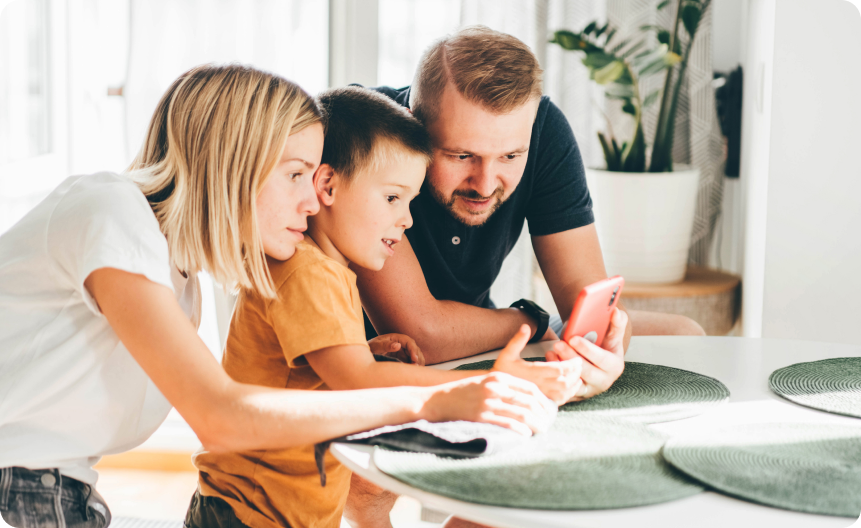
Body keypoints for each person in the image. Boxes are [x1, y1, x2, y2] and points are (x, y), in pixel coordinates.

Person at [0, 64, 557, 528]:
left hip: (62, 492)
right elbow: (220, 416)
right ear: (236, 162)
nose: (312, 203)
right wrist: (434, 399)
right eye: (295, 175)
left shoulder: (179, 282)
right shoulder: (111, 211)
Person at [187, 86, 584, 528]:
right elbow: (358, 381)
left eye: (410, 202)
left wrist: (364, 349)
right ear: (329, 186)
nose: (407, 220)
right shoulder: (306, 272)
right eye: (393, 199)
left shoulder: (323, 270)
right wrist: (476, 386)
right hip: (246, 517)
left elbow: (309, 368)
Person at [358, 25, 706, 396]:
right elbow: (420, 333)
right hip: (390, 355)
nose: (485, 184)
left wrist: (604, 344)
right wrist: (532, 321)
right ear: (413, 121)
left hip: (482, 332)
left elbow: (586, 301)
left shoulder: (544, 128)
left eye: (510, 156)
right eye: (462, 156)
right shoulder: (367, 132)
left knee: (686, 333)